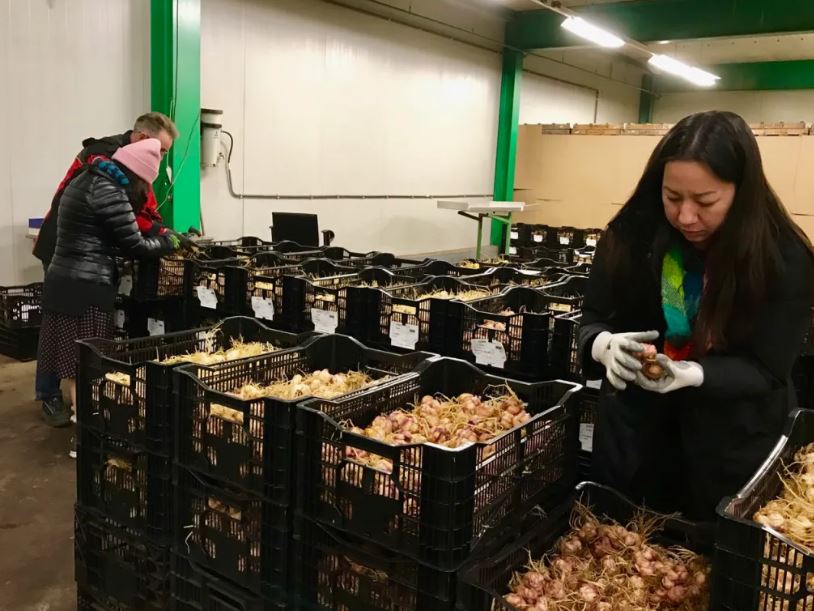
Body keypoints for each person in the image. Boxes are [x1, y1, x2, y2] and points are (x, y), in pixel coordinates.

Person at [578, 111, 814, 522]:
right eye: (672, 198)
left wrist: (695, 374)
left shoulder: (782, 257)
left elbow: (769, 368)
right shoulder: (633, 235)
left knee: (710, 555)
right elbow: (594, 317)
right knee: (624, 547)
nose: (686, 217)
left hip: (730, 445)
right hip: (639, 440)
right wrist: (603, 345)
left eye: (706, 202)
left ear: (742, 192)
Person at [37, 138, 180, 455]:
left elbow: (101, 234)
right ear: (138, 173)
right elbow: (136, 247)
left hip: (63, 282)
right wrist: (169, 243)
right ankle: (87, 440)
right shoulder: (109, 191)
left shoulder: (87, 178)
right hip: (86, 290)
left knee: (77, 367)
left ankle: (85, 433)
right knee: (87, 370)